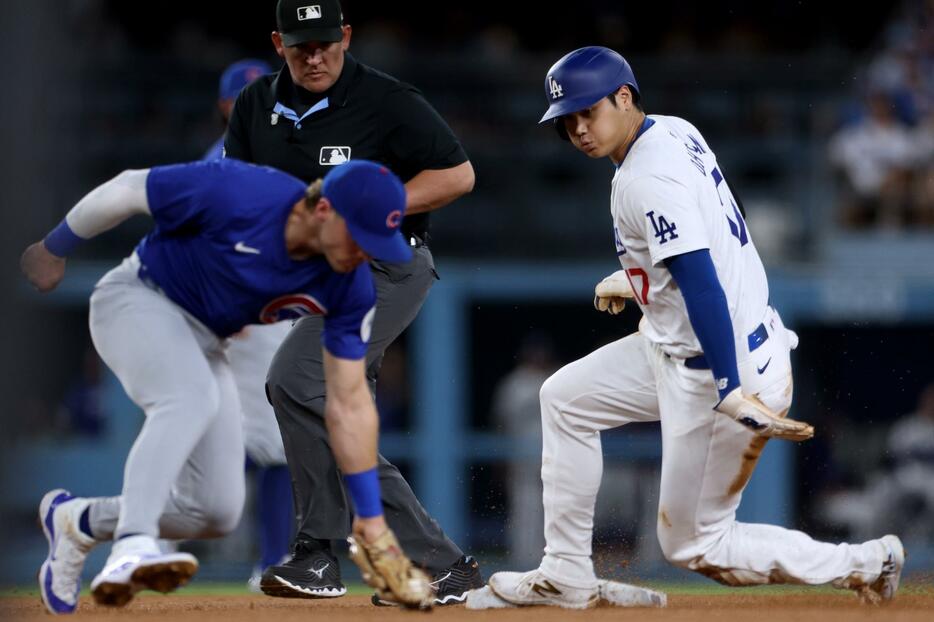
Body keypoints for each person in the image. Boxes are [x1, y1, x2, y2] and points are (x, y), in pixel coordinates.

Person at [486, 46, 905, 609]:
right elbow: (698, 244)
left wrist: (730, 388)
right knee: (564, 398)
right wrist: (638, 280)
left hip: (719, 367)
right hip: (682, 345)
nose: (579, 129)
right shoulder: (671, 131)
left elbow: (702, 282)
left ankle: (867, 561)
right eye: (567, 121)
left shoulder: (645, 178)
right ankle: (566, 573)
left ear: (625, 97)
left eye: (589, 112)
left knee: (692, 544)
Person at [24, 158, 434, 614]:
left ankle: (77, 521)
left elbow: (349, 402)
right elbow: (126, 189)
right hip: (136, 298)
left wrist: (371, 520)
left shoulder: (349, 286)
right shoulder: (243, 192)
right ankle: (133, 546)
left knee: (214, 510)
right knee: (188, 399)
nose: (365, 253)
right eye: (360, 236)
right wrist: (53, 247)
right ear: (323, 211)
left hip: (205, 341)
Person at [224, 0, 482, 605]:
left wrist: (373, 208)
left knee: (296, 379)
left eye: (324, 42)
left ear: (345, 35)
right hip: (323, 276)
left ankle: (326, 553)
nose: (314, 56)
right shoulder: (256, 106)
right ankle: (428, 563)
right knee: (323, 405)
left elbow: (458, 175)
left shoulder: (385, 99)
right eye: (300, 46)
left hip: (386, 265)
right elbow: (241, 195)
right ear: (277, 43)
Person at [203, 57, 295, 591]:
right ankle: (142, 539)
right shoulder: (224, 159)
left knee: (257, 442)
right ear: (224, 106)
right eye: (244, 96)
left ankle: (275, 558)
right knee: (262, 444)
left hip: (270, 311)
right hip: (241, 318)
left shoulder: (285, 154)